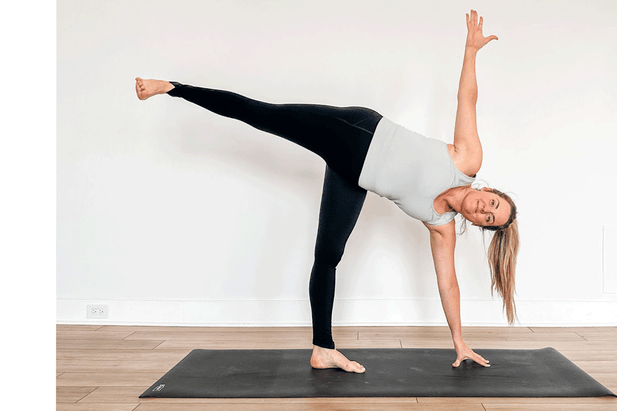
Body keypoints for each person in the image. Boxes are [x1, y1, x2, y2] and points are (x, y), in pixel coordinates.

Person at [135, 10, 518, 374]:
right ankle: (172, 87)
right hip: (356, 131)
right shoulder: (467, 159)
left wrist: (459, 342)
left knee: (328, 256)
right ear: (490, 190)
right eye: (493, 203)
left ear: (476, 223)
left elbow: (448, 283)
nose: (485, 208)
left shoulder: (441, 226)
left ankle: (322, 349)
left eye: (488, 218)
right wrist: (470, 52)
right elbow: (467, 100)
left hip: (353, 177)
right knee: (262, 114)